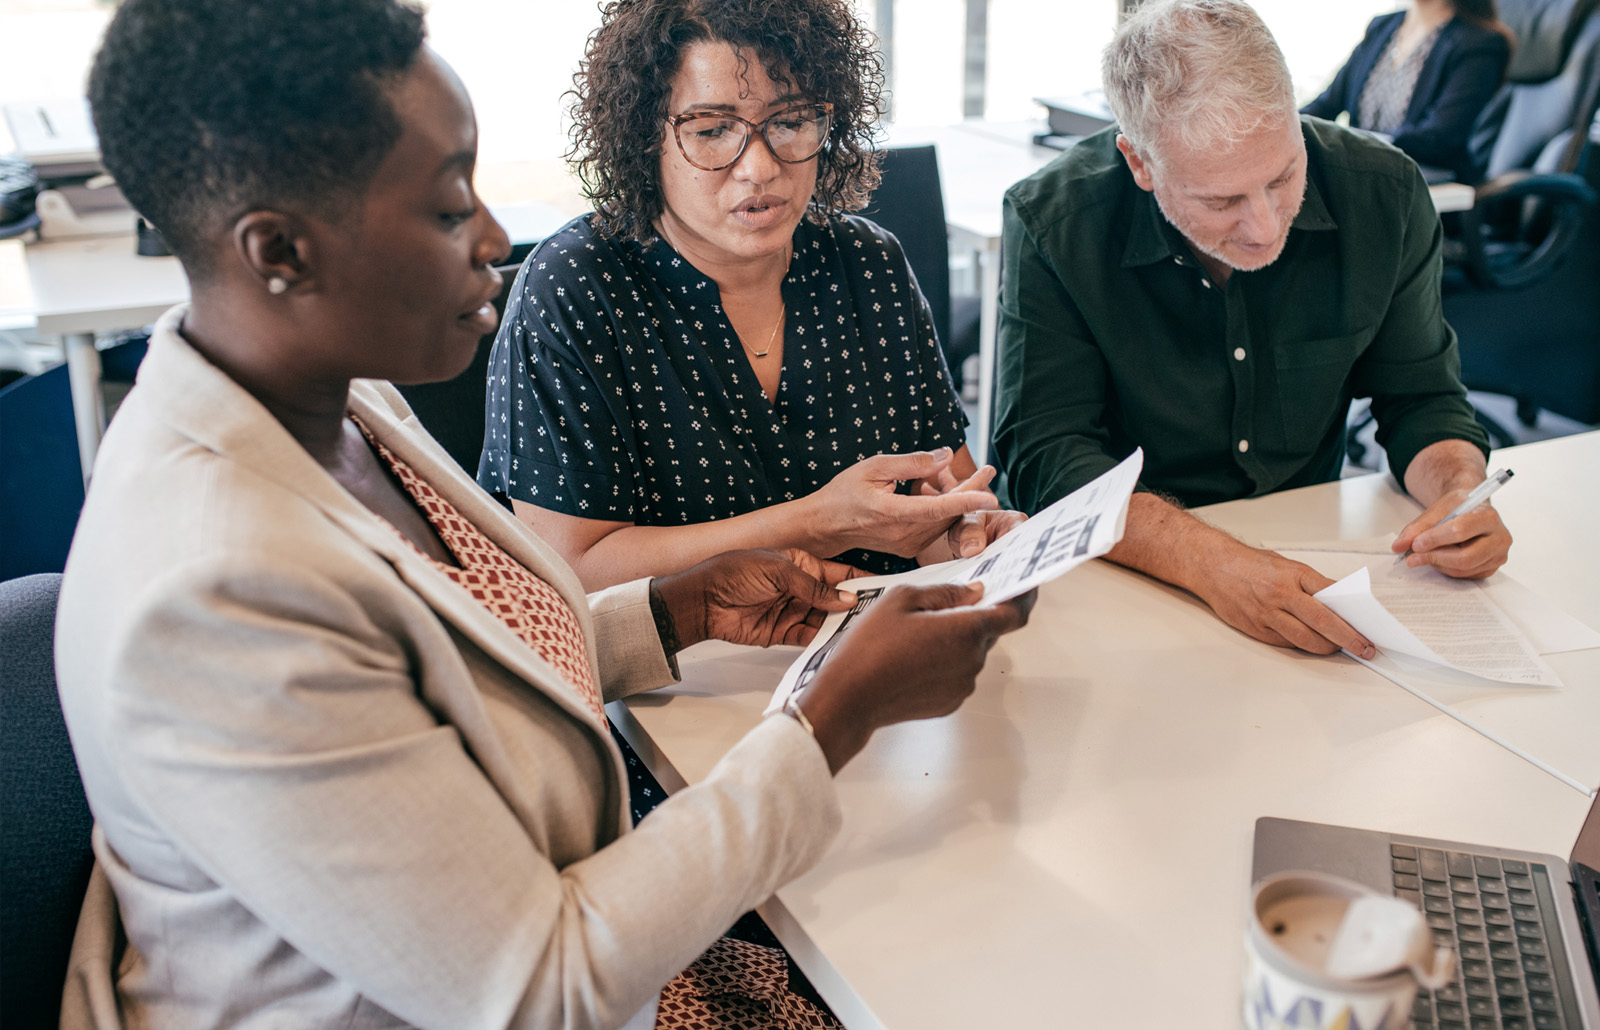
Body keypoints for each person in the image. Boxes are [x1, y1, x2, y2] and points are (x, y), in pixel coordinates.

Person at [56, 2, 1035, 1028]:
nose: (490, 238)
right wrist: (829, 718)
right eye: (445, 210)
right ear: (280, 252)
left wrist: (672, 613)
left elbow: (448, 666)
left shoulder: (341, 406)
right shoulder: (213, 594)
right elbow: (538, 987)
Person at [993, 0, 1511, 661]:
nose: (1266, 228)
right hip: (1111, 581)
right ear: (1139, 163)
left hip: (1305, 561)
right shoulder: (1054, 221)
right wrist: (1215, 565)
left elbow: (1422, 399)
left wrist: (1460, 494)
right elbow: (1048, 457)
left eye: (1284, 175)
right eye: (1221, 201)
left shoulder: (1384, 192)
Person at [477, 0, 1024, 590]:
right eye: (713, 130)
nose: (759, 167)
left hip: (878, 639)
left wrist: (954, 532)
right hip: (674, 675)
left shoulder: (869, 263)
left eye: (790, 122)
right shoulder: (576, 286)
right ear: (644, 137)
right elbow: (574, 569)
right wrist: (815, 524)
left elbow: (947, 488)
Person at [1302, 0, 1512, 184]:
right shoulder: (1383, 26)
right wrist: (1284, 125)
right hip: (1362, 173)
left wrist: (1355, 143)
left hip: (1430, 186)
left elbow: (1439, 138)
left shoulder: (1478, 43)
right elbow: (1327, 104)